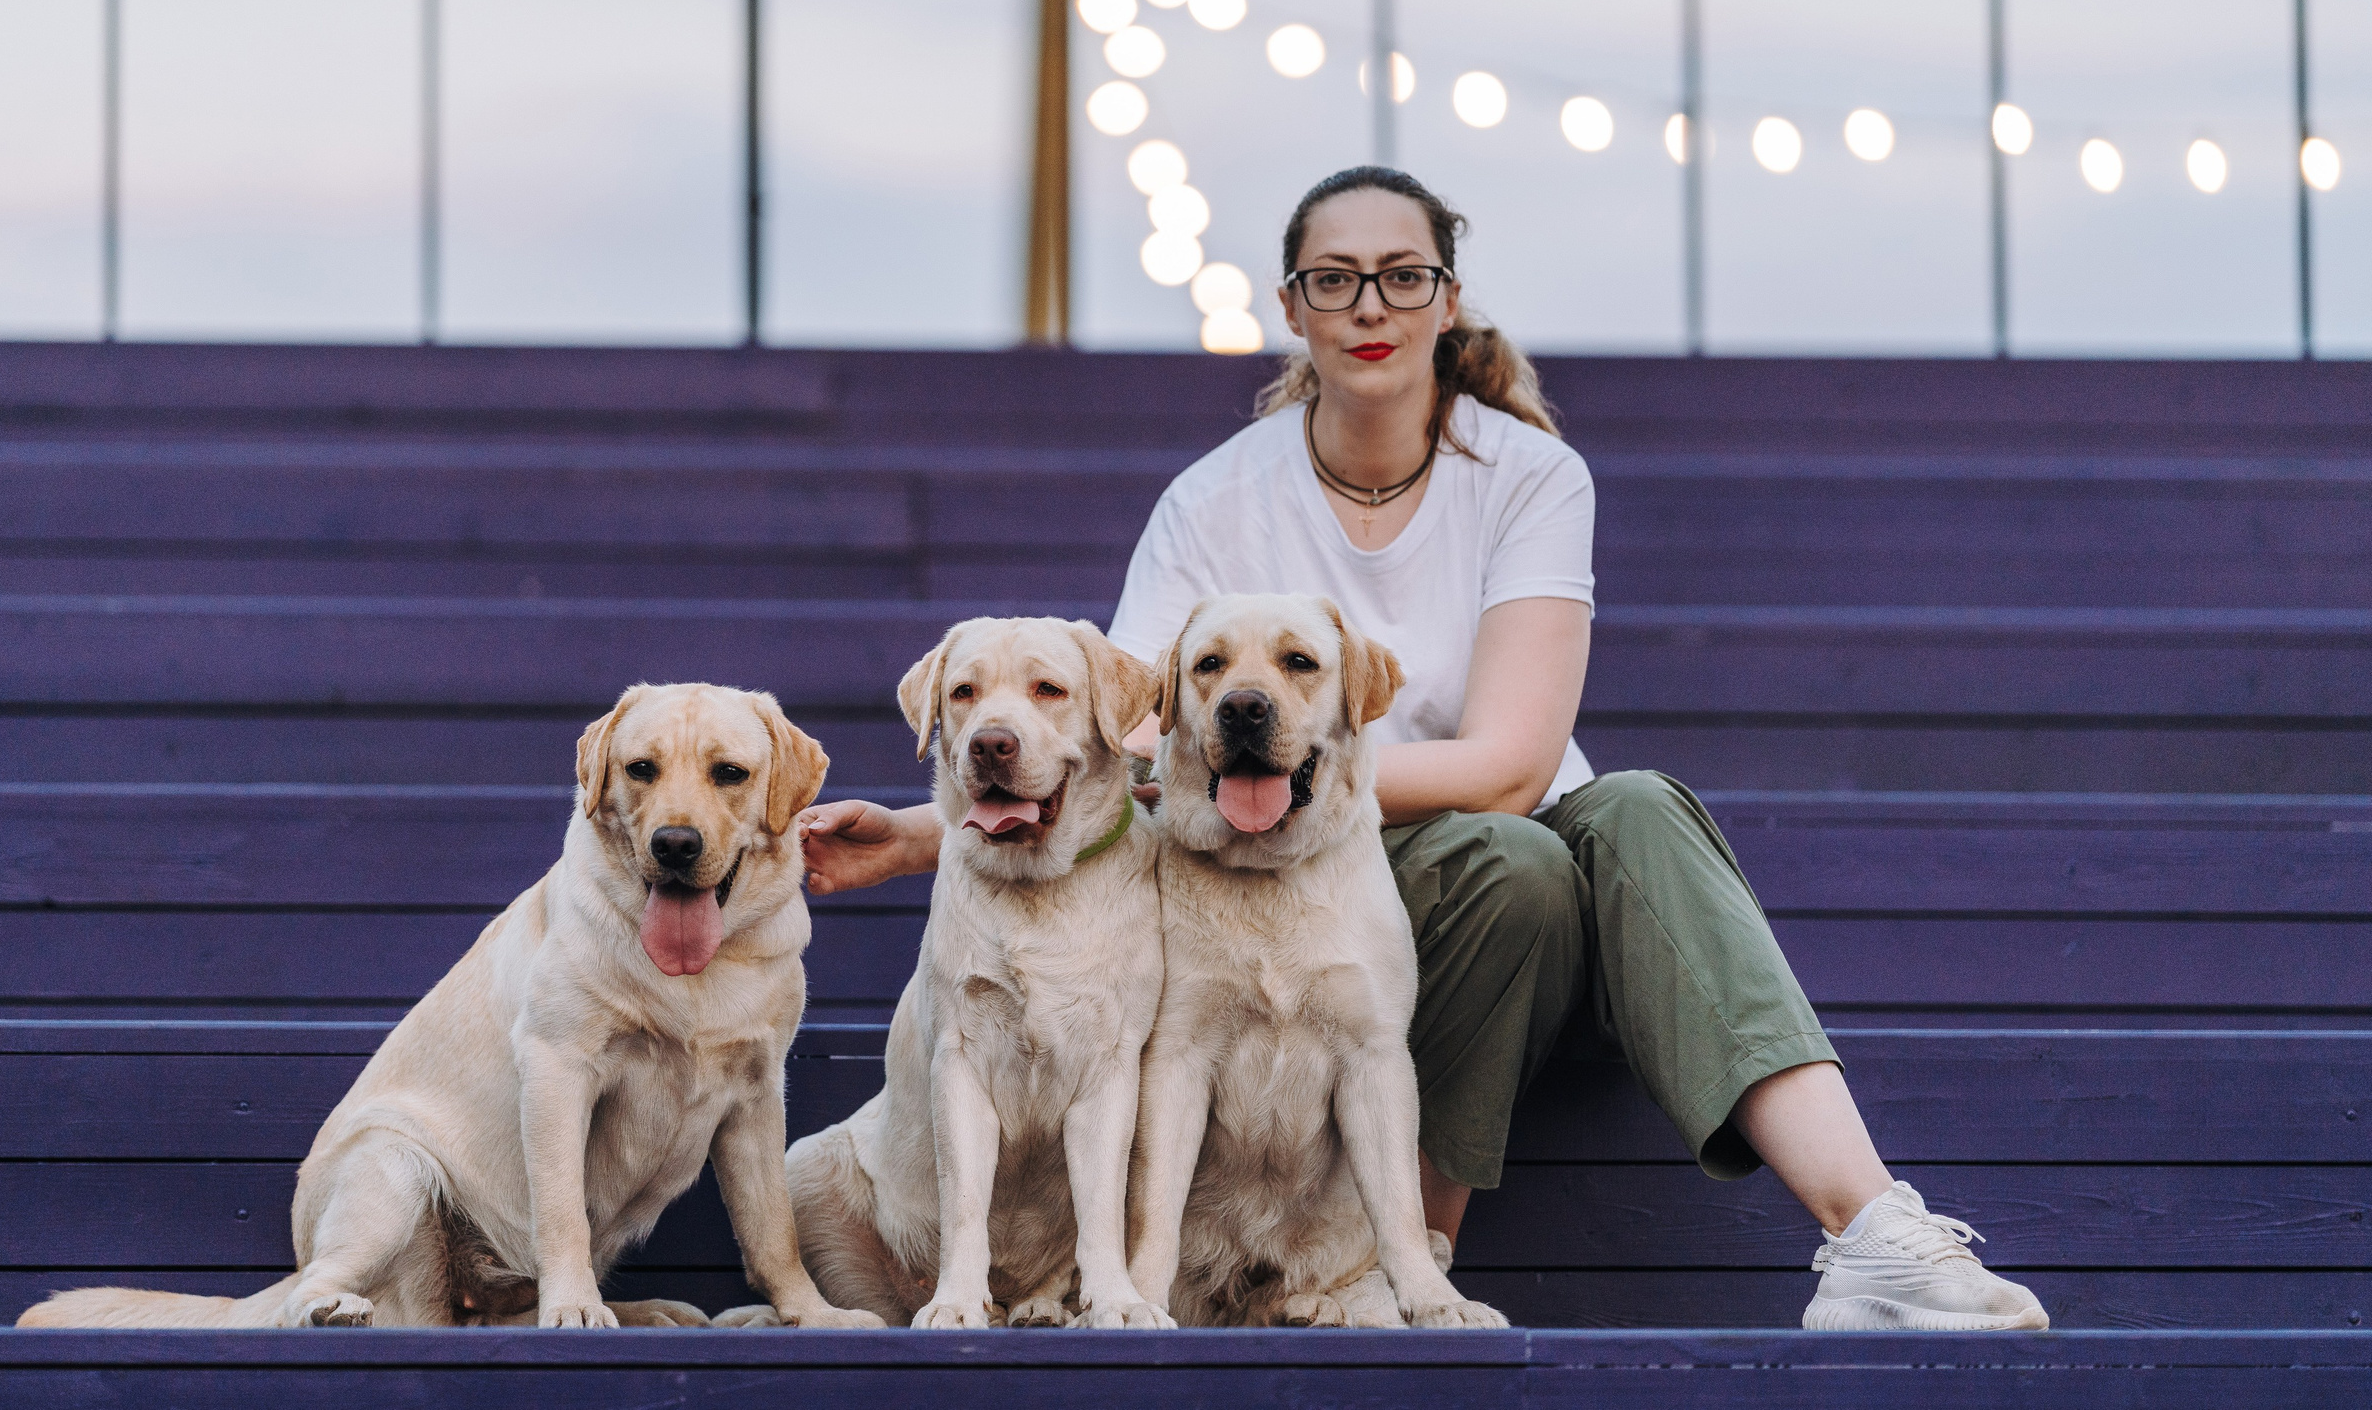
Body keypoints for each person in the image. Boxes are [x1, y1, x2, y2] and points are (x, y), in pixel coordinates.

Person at [799, 166, 2047, 1333]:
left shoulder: (1530, 476)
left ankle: (1871, 1231)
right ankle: (1400, 1260)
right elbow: (1116, 735)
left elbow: (1511, 763)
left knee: (1623, 812)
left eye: (1403, 275)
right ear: (1293, 307)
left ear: (1448, 299)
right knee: (1516, 864)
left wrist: (1277, 783)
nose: (1370, 305)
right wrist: (929, 830)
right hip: (1296, 890)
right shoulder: (1214, 500)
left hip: (1477, 875)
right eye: (1332, 279)